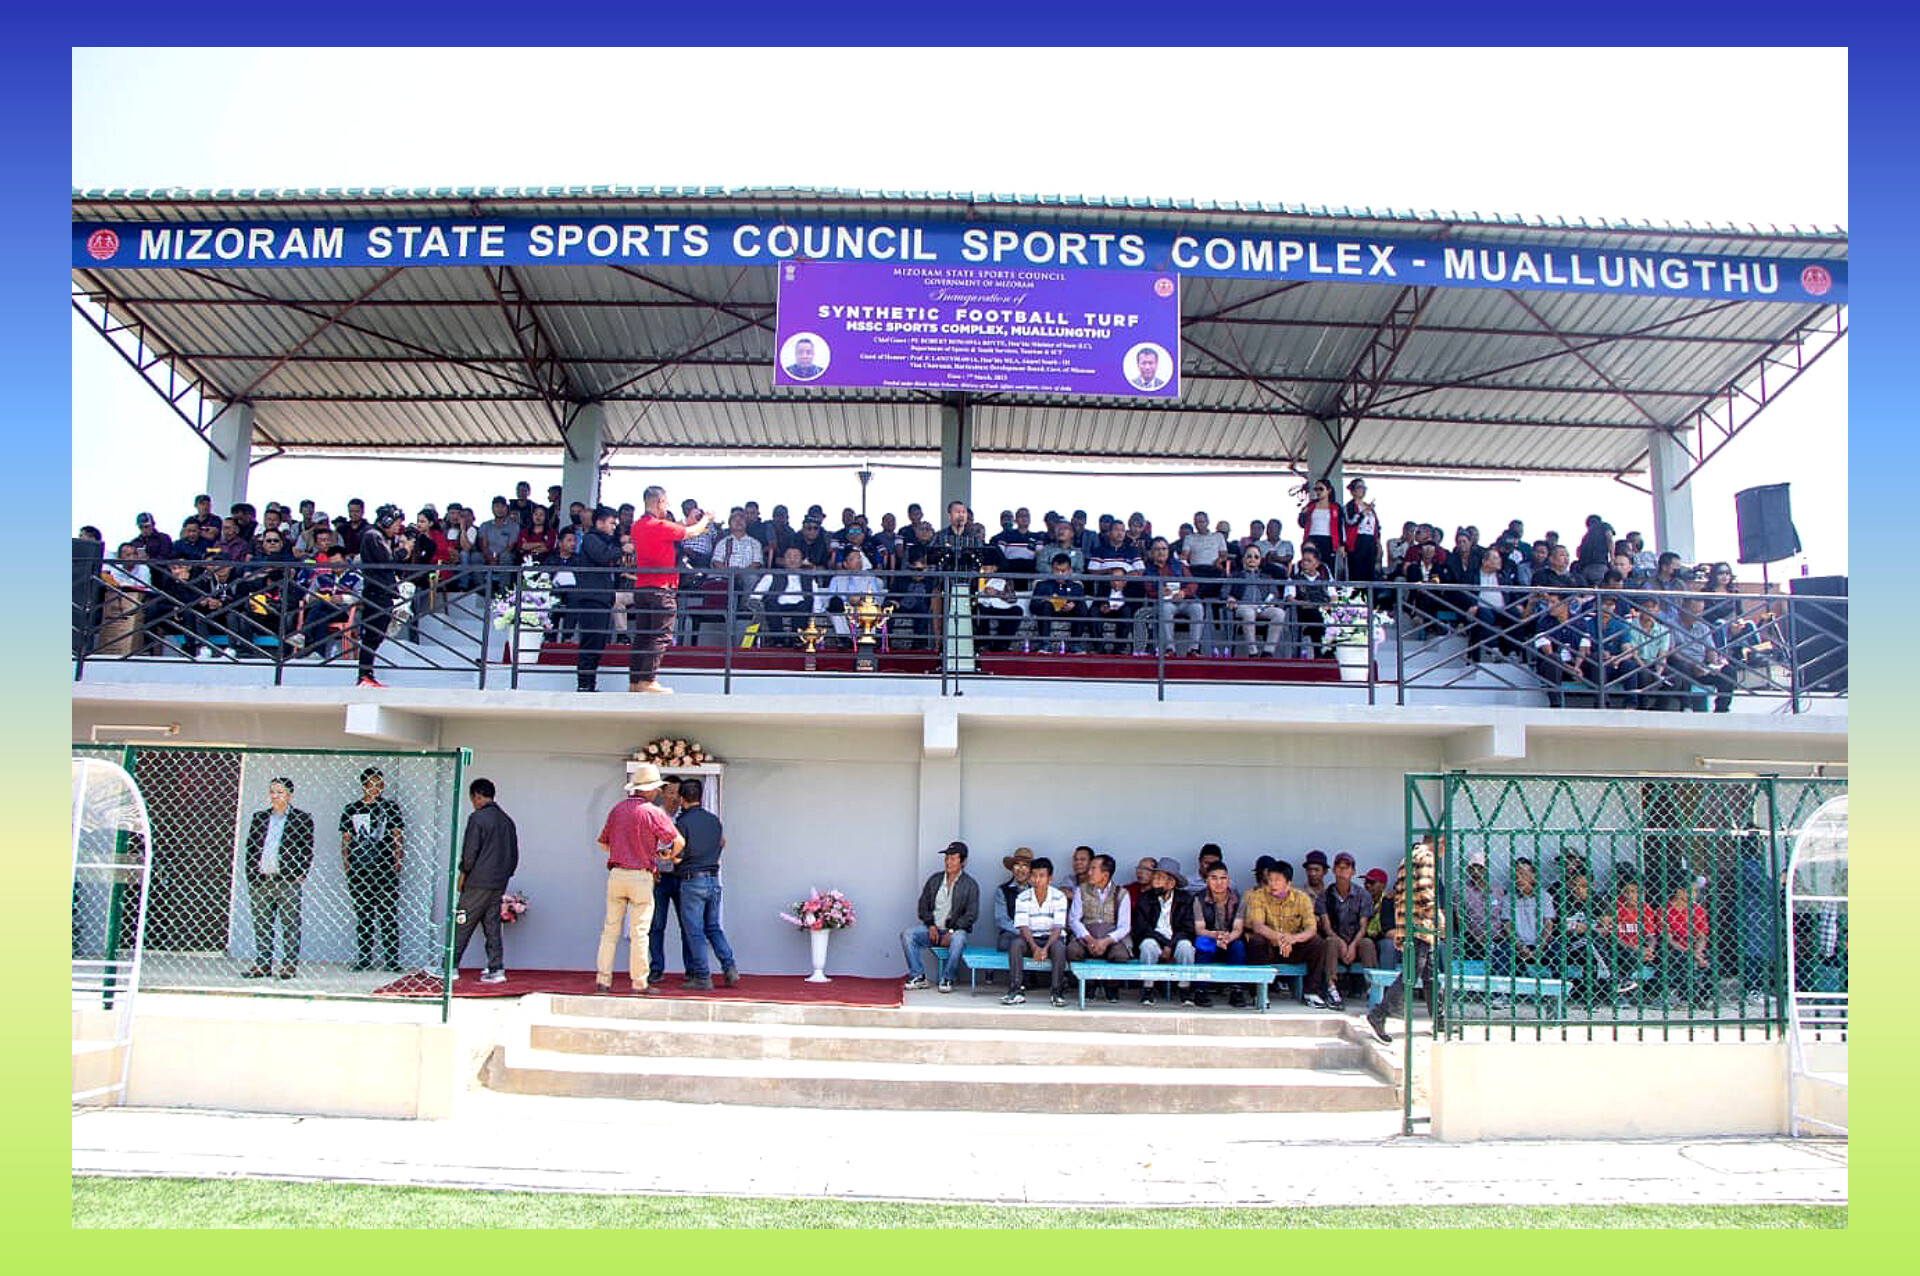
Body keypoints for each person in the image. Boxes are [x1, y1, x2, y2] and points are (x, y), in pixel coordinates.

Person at [595, 764, 682, 995]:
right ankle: (639, 982)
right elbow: (677, 841)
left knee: (610, 930)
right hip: (641, 875)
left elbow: (603, 843)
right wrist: (667, 855)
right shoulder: (653, 812)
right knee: (640, 932)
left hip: (617, 873)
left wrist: (623, 851)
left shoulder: (617, 810)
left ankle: (603, 980)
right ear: (653, 790)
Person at [628, 485, 713, 693]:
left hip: (641, 587)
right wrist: (706, 519)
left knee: (642, 635)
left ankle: (635, 681)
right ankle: (649, 680)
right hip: (662, 588)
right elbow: (691, 532)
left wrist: (687, 522)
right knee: (661, 635)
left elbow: (674, 529)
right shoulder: (660, 526)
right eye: (665, 503)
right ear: (659, 503)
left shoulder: (637, 526)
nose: (667, 507)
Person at [1365, 838, 1443, 1044]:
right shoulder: (1426, 856)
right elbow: (1426, 892)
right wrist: (1438, 916)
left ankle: (1441, 1020)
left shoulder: (1407, 859)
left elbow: (1401, 895)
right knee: (1412, 973)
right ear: (1438, 841)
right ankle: (1379, 1013)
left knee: (1430, 975)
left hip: (1411, 925)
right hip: (1421, 925)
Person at [241, 777, 314, 980]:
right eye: (272, 791)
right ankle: (263, 964)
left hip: (287, 880)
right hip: (261, 880)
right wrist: (251, 874)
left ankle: (289, 965)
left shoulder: (302, 818)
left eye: (280, 792)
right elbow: (251, 847)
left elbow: (307, 849)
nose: (275, 796)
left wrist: (300, 874)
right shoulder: (260, 818)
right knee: (262, 924)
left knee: (290, 924)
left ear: (289, 795)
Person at [448, 778, 519, 984]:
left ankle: (450, 966)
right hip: (498, 882)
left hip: (477, 881)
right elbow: (514, 854)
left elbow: (469, 853)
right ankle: (496, 969)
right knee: (492, 926)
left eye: (473, 798)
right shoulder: (507, 821)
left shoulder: (477, 818)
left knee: (462, 921)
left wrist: (463, 874)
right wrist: (505, 875)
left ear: (477, 796)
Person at [1244, 858, 1338, 1008]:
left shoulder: (1302, 898)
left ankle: (1312, 992)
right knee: (1257, 941)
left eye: (1277, 880)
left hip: (1293, 947)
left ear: (1288, 883)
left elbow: (1311, 928)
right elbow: (1258, 925)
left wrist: (1293, 939)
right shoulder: (1258, 896)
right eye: (1270, 880)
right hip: (1271, 946)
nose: (1272, 884)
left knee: (1318, 942)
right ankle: (1259, 993)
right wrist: (1282, 938)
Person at [672, 777, 738, 990]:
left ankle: (702, 976)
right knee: (713, 927)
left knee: (695, 930)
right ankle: (729, 966)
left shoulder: (682, 823)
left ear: (682, 798)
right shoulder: (714, 821)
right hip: (713, 878)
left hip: (692, 880)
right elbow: (720, 846)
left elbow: (680, 854)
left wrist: (669, 857)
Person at [339, 766, 405, 973]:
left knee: (388, 914)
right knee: (364, 915)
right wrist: (347, 864)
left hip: (384, 868)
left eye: (379, 784)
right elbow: (346, 839)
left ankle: (392, 960)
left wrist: (397, 858)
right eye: (371, 784)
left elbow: (397, 834)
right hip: (360, 868)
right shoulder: (352, 809)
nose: (376, 788)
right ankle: (364, 958)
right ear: (364, 785)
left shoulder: (389, 808)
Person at [903, 840, 979, 993]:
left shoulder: (970, 885)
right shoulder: (935, 880)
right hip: (934, 930)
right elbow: (923, 906)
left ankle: (948, 978)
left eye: (953, 858)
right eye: (946, 858)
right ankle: (918, 976)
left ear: (963, 862)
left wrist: (951, 931)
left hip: (955, 931)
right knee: (908, 934)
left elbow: (971, 915)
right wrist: (930, 925)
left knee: (958, 940)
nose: (948, 862)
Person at [1002, 855, 1071, 1007]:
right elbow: (1023, 926)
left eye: (1041, 876)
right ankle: (1015, 991)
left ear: (1050, 878)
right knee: (1015, 945)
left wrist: (1045, 948)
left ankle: (1056, 992)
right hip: (1030, 939)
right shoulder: (1023, 897)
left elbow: (1058, 928)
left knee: (1060, 948)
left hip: (1052, 939)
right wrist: (1034, 947)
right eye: (1034, 875)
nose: (1036, 880)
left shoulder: (1059, 897)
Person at [1066, 852, 1135, 1003]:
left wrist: (1105, 942)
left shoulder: (1122, 894)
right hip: (1086, 936)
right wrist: (1089, 939)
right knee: (1073, 950)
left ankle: (1112, 987)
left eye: (1093, 869)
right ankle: (1088, 986)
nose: (1089, 872)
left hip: (1111, 939)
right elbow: (1074, 920)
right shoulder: (1081, 890)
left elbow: (1124, 927)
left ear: (1105, 874)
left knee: (1121, 955)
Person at [1128, 856, 1198, 1005]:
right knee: (1147, 945)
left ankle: (1184, 990)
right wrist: (1164, 944)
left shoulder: (1186, 899)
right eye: (1155, 877)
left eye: (1160, 878)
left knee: (1186, 947)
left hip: (1176, 941)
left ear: (1171, 883)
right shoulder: (1144, 899)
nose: (1155, 882)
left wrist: (1170, 945)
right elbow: (1142, 928)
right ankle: (1148, 989)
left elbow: (1188, 929)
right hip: (1155, 939)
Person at [1317, 851, 1377, 1003]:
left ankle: (1372, 987)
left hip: (1355, 942)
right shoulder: (1325, 895)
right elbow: (1326, 927)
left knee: (1367, 943)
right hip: (1336, 942)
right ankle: (1331, 987)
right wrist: (1342, 944)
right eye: (1339, 867)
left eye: (1347, 867)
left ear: (1353, 871)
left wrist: (1352, 945)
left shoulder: (1362, 895)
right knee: (1330, 941)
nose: (1343, 871)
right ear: (1333, 870)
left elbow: (1363, 926)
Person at [574, 505, 622, 691]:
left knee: (598, 643)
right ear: (599, 522)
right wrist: (622, 548)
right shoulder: (591, 539)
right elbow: (603, 556)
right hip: (592, 598)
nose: (614, 527)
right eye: (611, 523)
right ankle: (585, 685)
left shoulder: (603, 540)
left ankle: (589, 684)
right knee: (591, 642)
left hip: (602, 598)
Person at [352, 508, 402, 687]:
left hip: (382, 592)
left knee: (376, 636)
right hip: (376, 593)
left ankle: (367, 674)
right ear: (387, 521)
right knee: (372, 636)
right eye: (396, 524)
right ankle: (364, 675)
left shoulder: (377, 536)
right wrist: (404, 551)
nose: (398, 529)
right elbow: (388, 561)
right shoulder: (373, 535)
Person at [1192, 861, 1248, 1007]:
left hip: (1229, 941)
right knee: (1202, 943)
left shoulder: (1238, 899)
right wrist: (1216, 936)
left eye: (1223, 878)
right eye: (1214, 878)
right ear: (1206, 881)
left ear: (1228, 880)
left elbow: (1238, 928)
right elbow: (1199, 928)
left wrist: (1227, 938)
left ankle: (1237, 990)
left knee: (1238, 946)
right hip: (1210, 938)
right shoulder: (1199, 899)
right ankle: (1201, 990)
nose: (1219, 883)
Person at [992, 847, 1036, 952]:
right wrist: (1021, 932)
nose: (1020, 869)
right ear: (1012, 868)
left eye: (1025, 866)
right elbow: (1001, 920)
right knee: (1005, 943)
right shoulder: (1002, 890)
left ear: (1030, 870)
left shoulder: (1036, 890)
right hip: (1011, 933)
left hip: (1034, 933)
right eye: (1017, 865)